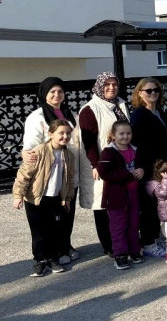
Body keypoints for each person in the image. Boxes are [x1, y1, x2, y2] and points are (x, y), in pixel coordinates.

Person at [21, 77, 88, 265]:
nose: (57, 95)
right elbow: (32, 146)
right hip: (49, 175)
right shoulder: (37, 117)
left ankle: (65, 245)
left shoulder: (71, 114)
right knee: (48, 216)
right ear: (44, 94)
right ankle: (50, 252)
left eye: (60, 91)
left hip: (68, 172)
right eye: (52, 92)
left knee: (66, 212)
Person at [12, 119, 75, 277]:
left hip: (56, 199)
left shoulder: (68, 155)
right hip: (36, 198)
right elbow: (24, 174)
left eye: (68, 133)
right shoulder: (39, 151)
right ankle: (40, 260)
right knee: (39, 231)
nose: (65, 136)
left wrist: (67, 198)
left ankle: (53, 258)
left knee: (55, 229)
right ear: (51, 134)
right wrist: (18, 195)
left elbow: (69, 179)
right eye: (61, 133)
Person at [79, 72, 130, 258]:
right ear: (99, 87)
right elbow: (89, 141)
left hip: (122, 162)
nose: (111, 88)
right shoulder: (90, 109)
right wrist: (95, 165)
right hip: (102, 163)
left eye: (114, 84)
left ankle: (121, 239)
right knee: (103, 205)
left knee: (119, 203)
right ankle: (108, 245)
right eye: (107, 85)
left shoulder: (120, 104)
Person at [130, 77, 167, 259]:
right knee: (148, 207)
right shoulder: (139, 115)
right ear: (140, 93)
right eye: (148, 91)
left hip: (159, 166)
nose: (153, 93)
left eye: (156, 90)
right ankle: (147, 242)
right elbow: (137, 145)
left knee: (156, 204)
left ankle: (153, 237)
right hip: (146, 168)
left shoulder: (159, 112)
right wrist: (142, 168)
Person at [97, 120, 145, 270]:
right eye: (121, 134)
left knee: (134, 223)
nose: (125, 136)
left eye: (128, 133)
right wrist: (127, 175)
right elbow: (104, 172)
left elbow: (142, 165)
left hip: (134, 193)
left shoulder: (135, 149)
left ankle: (134, 250)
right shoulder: (108, 152)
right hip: (116, 196)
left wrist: (142, 170)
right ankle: (120, 254)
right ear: (113, 135)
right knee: (118, 225)